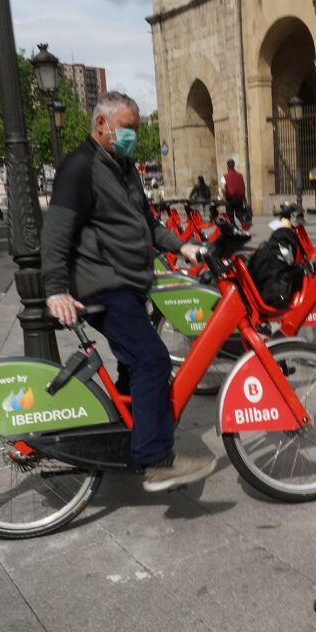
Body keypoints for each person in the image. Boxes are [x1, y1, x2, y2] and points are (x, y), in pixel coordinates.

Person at [41, 91, 216, 492]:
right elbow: (56, 233)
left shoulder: (124, 167)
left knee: (133, 365)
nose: (133, 137)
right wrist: (55, 290)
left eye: (135, 129)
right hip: (104, 283)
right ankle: (156, 461)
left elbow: (147, 224)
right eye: (128, 129)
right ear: (102, 125)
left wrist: (181, 246)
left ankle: (121, 439)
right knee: (153, 360)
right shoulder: (80, 167)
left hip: (129, 282)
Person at [222, 159, 247, 224]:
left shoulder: (224, 176)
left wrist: (223, 198)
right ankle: (244, 223)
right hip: (239, 198)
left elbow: (223, 189)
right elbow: (243, 187)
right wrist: (244, 199)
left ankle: (234, 228)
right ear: (234, 166)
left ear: (227, 166)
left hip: (229, 198)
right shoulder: (240, 175)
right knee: (239, 214)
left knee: (230, 216)